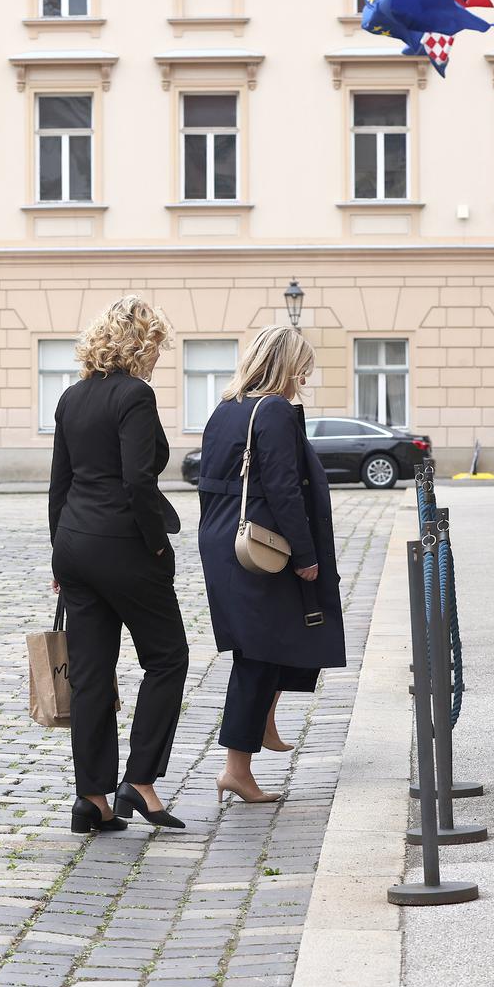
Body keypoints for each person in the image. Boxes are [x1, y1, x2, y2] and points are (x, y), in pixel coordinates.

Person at [48, 296, 188, 833]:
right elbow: (138, 480)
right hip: (124, 546)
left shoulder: (71, 397)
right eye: (157, 346)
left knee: (89, 674)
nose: (158, 356)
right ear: (141, 345)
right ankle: (141, 781)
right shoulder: (135, 395)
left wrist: (58, 554)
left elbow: (59, 484)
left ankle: (93, 800)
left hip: (75, 547)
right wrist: (157, 545)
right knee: (167, 657)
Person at [197, 326, 344, 804]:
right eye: (303, 367)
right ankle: (236, 768)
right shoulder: (274, 409)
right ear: (287, 365)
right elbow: (283, 487)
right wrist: (305, 555)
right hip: (262, 545)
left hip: (225, 539)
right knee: (259, 655)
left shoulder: (226, 407)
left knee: (276, 641)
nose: (305, 377)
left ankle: (265, 720)